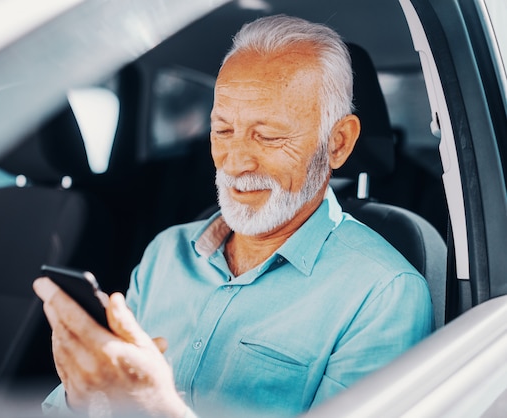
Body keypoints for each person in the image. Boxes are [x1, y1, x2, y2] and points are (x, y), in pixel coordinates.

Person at [33, 14, 434, 418]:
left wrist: (151, 405)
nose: (236, 162)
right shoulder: (167, 253)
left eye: (269, 135)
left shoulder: (383, 293)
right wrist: (84, 392)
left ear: (338, 143)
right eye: (223, 131)